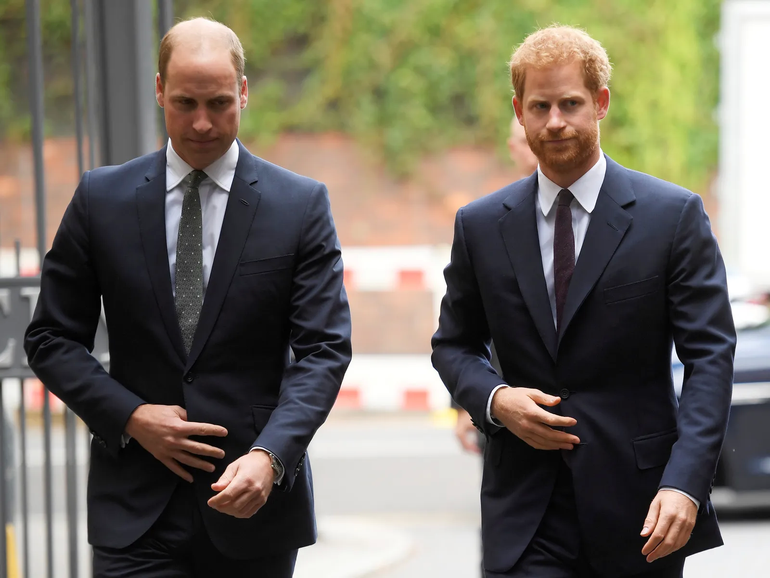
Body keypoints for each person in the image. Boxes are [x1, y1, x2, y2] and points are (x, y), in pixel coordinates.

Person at [24, 18, 351, 578]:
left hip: (253, 506)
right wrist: (130, 416)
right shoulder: (100, 199)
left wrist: (271, 458)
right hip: (133, 507)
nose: (202, 122)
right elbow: (51, 337)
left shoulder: (299, 206)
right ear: (158, 90)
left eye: (220, 102)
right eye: (184, 102)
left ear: (244, 93)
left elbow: (323, 350)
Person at [432, 25, 735, 578]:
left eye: (570, 103)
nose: (554, 122)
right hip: (525, 511)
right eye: (539, 106)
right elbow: (453, 344)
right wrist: (495, 400)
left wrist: (685, 483)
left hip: (642, 509)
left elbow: (710, 359)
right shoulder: (479, 226)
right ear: (519, 111)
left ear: (600, 104)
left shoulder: (672, 217)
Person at [454, 117, 538, 454]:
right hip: (504, 411)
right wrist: (472, 399)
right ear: (513, 148)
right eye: (525, 139)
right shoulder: (485, 222)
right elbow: (465, 327)